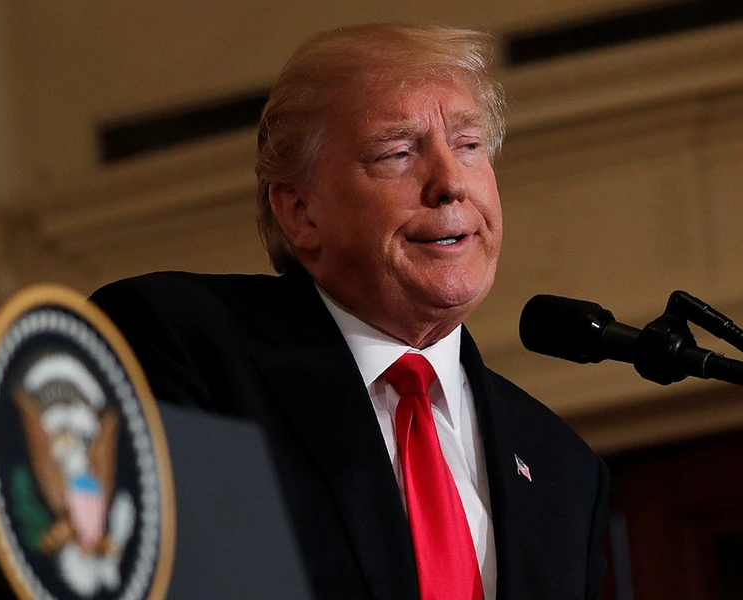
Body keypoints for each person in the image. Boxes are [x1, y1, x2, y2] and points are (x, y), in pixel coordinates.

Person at [91, 23, 609, 600]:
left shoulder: (562, 469)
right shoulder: (181, 345)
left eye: (468, 146)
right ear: (300, 213)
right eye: (398, 153)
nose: (450, 183)